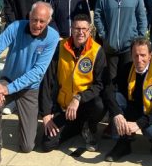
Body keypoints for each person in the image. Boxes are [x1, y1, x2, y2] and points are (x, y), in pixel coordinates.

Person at [0, 1, 59, 166]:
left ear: (48, 22)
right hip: (8, 78)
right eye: (34, 19)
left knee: (27, 147)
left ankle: (25, 121)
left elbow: (38, 71)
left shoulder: (52, 37)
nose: (37, 24)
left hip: (29, 88)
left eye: (42, 21)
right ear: (29, 16)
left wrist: (8, 89)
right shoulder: (16, 27)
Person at [40, 13, 107, 153]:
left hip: (85, 103)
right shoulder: (60, 47)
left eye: (84, 29)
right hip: (64, 107)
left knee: (100, 104)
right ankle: (76, 126)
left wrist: (78, 98)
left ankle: (88, 126)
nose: (80, 32)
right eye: (77, 28)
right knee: (47, 144)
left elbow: (99, 85)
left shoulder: (97, 51)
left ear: (90, 30)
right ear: (71, 29)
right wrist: (46, 113)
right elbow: (47, 81)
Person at [104, 37, 152, 161]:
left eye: (143, 55)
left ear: (150, 55)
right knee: (116, 98)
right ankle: (124, 144)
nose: (139, 60)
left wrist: (139, 124)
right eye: (136, 55)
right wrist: (117, 114)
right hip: (136, 109)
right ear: (131, 55)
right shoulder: (128, 67)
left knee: (150, 130)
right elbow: (109, 90)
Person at [94, 0, 147, 84]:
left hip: (129, 46)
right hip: (110, 45)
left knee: (127, 79)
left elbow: (141, 18)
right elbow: (98, 15)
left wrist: (139, 38)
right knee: (110, 80)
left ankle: (126, 103)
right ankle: (112, 103)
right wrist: (103, 35)